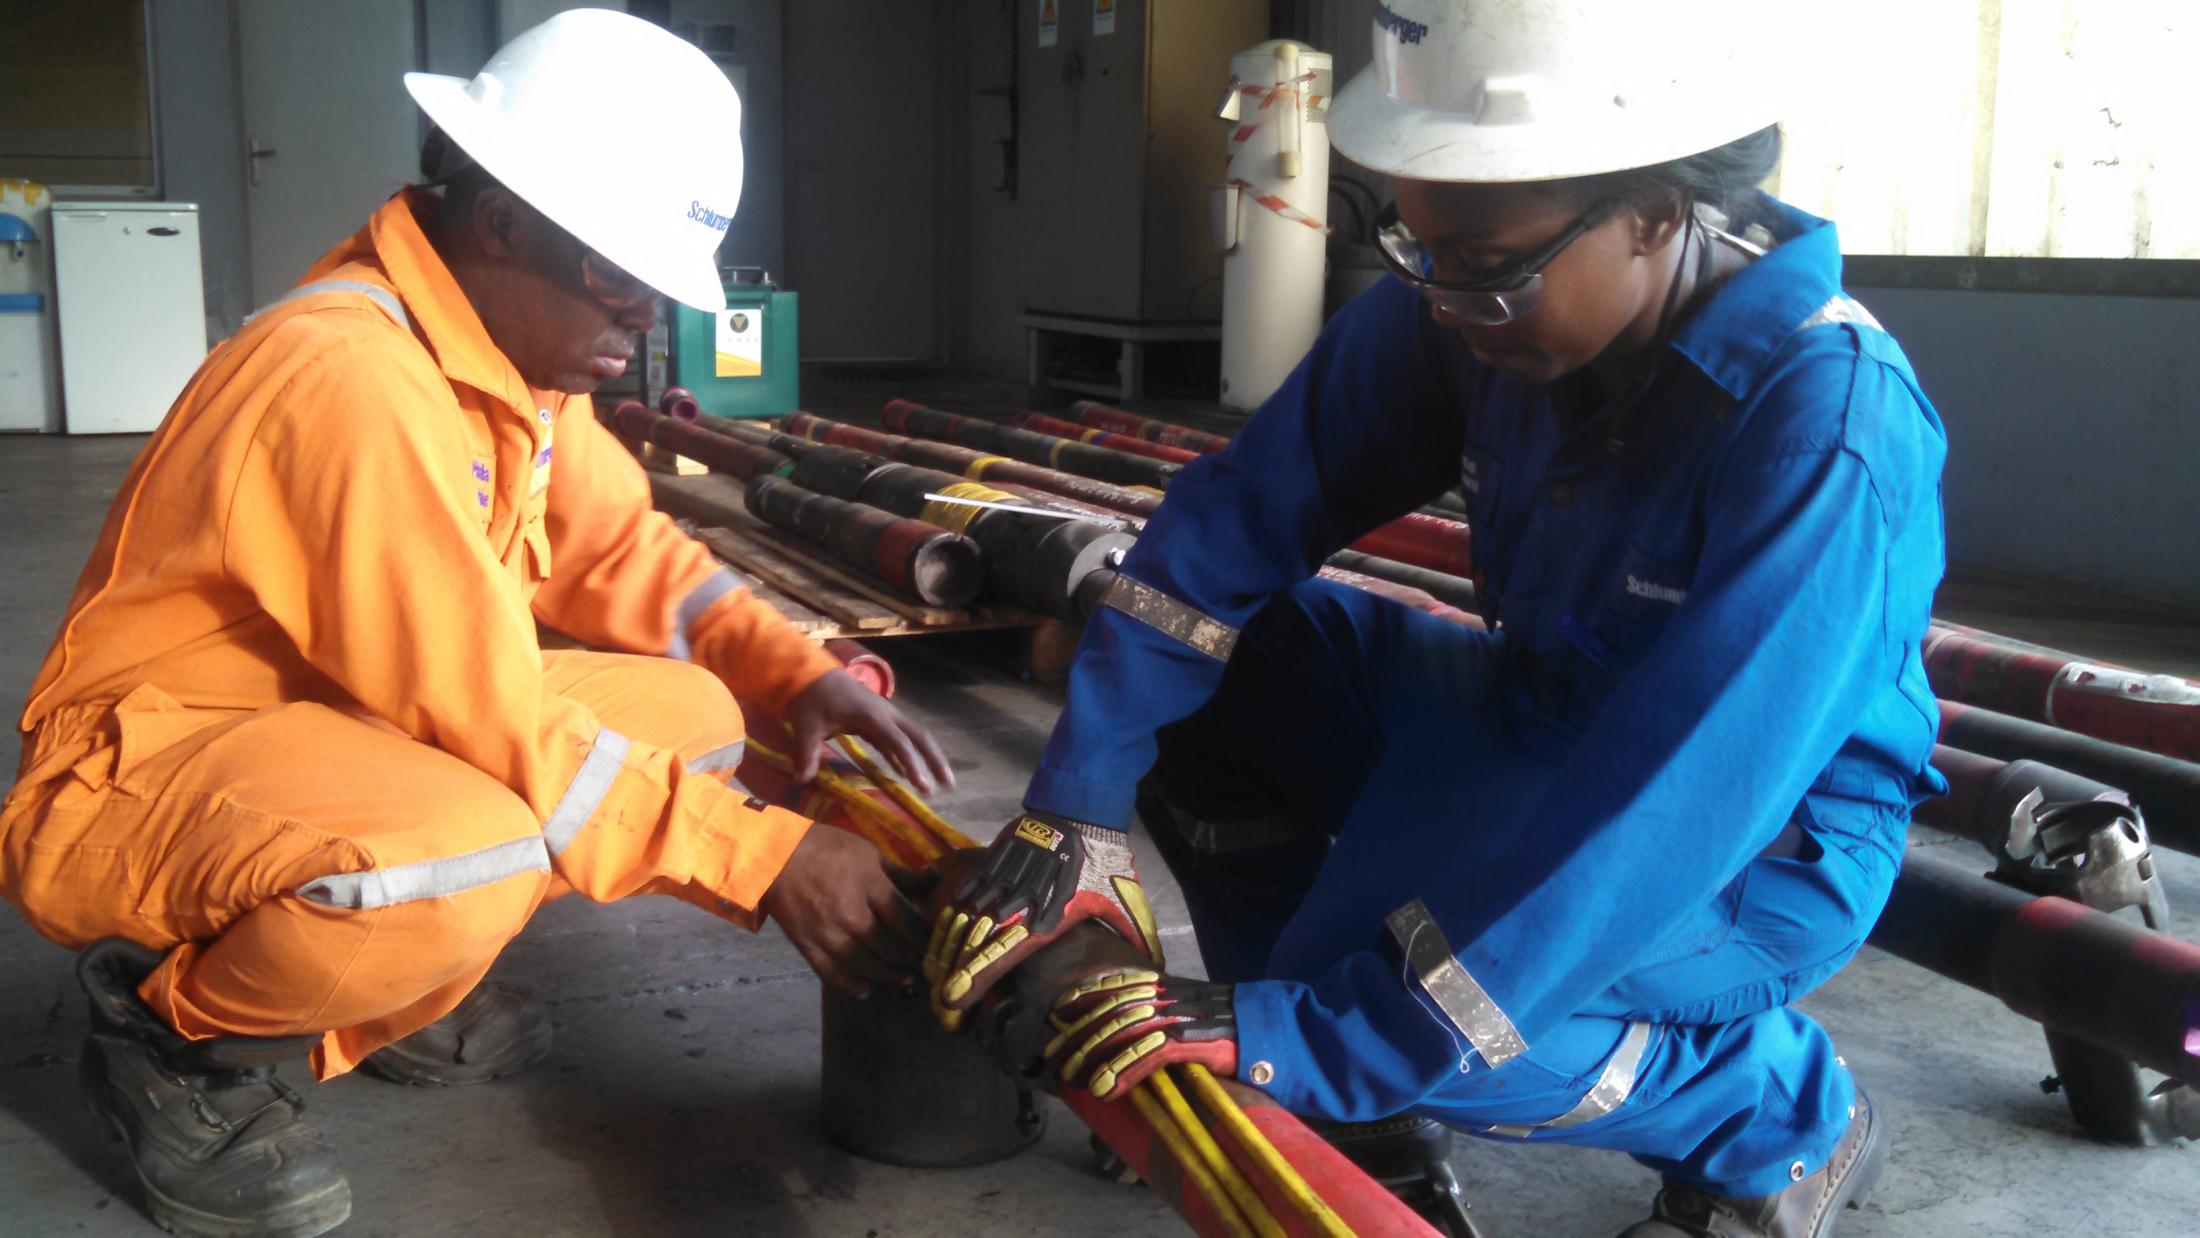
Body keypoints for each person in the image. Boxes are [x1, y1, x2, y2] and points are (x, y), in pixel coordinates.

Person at [930, 4, 1945, 1235]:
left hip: (1753, 842)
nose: (1436, 290)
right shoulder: (1470, 298)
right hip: (1530, 712)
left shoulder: (1824, 433)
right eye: (1407, 238)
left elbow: (1666, 806)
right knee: (1223, 662)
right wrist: (1074, 803)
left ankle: (1778, 1107)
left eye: (1478, 259)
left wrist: (1351, 1033)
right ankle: (1299, 1037)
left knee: (1467, 1024)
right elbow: (1241, 512)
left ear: (1659, 212)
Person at [0, 12, 948, 1237]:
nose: (638, 326)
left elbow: (619, 549)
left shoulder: (511, 363)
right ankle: (172, 1038)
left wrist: (792, 670)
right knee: (480, 838)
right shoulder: (349, 379)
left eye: (652, 290)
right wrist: (765, 857)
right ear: (502, 222)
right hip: (148, 767)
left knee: (702, 713)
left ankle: (391, 980)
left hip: (334, 722)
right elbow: (489, 713)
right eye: (617, 278)